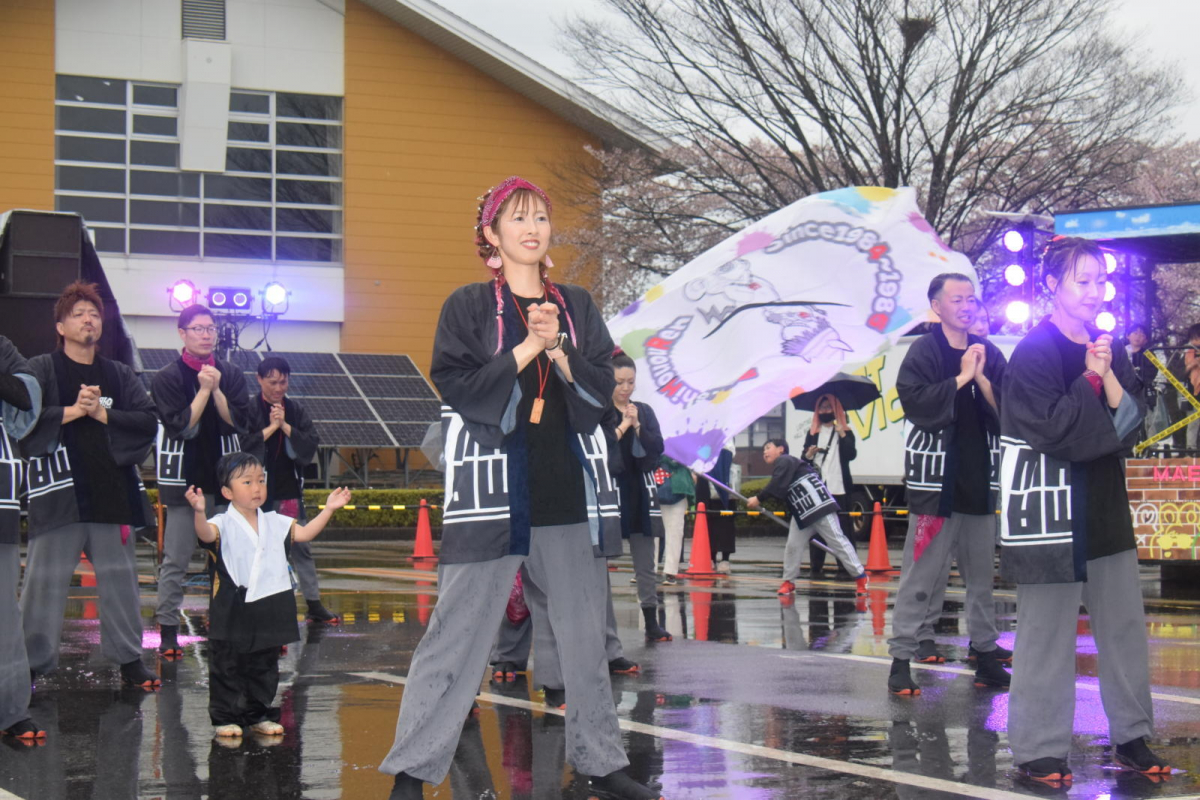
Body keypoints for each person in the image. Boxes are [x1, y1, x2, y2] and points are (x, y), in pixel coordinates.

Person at [380, 177, 664, 800]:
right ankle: (411, 772)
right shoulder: (469, 305)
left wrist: (559, 350)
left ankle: (601, 761)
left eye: (540, 216)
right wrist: (525, 347)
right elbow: (457, 386)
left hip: (568, 489)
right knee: (454, 638)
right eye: (517, 218)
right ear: (491, 233)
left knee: (586, 636)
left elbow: (601, 392)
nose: (532, 227)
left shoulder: (579, 304)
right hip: (492, 491)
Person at [1001, 237, 1167, 785]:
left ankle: (1132, 736)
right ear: (1052, 285)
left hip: (1102, 505)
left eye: (1101, 280)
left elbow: (1131, 424)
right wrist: (1091, 379)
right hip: (1049, 511)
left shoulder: (1105, 345)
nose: (1096, 291)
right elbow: (1055, 430)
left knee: (1122, 628)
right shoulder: (1034, 351)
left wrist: (1106, 369)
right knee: (1046, 634)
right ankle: (1036, 748)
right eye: (1083, 280)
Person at [17, 282, 161, 690]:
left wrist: (101, 415)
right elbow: (21, 419)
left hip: (111, 494)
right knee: (43, 584)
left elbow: (148, 420)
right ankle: (30, 665)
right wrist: (71, 411)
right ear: (61, 326)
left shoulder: (118, 373)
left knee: (120, 582)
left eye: (94, 314)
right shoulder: (40, 369)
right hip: (58, 494)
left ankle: (129, 659)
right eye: (78, 314)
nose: (88, 320)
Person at [888, 273, 1010, 695]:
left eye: (971, 298)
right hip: (935, 487)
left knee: (981, 579)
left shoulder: (988, 352)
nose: (966, 305)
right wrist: (959, 378)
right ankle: (901, 658)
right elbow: (915, 402)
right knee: (921, 575)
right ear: (936, 307)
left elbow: (1010, 410)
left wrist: (980, 378)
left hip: (980, 481)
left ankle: (987, 656)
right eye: (957, 299)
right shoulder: (924, 352)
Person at [185, 452, 350, 738]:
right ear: (227, 491)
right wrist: (198, 511)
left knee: (264, 664)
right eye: (247, 482)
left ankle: (258, 714)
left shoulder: (277, 521)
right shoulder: (221, 523)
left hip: (270, 600)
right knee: (227, 662)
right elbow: (206, 536)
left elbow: (306, 533)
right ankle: (225, 717)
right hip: (233, 603)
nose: (257, 487)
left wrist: (329, 509)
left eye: (261, 480)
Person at [152, 304, 252, 657]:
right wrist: (203, 391)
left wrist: (218, 389)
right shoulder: (167, 377)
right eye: (197, 328)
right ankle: (167, 628)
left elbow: (239, 421)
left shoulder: (231, 373)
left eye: (210, 328)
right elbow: (180, 425)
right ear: (182, 333)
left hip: (225, 486)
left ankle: (223, 624)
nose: (206, 334)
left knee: (225, 561)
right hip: (184, 485)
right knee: (176, 560)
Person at [241, 355, 338, 624]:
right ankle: (254, 603)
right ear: (259, 380)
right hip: (255, 493)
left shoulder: (295, 410)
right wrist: (271, 428)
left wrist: (285, 426)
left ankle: (314, 602)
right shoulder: (249, 409)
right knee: (256, 548)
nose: (278, 388)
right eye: (272, 382)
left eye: (283, 382)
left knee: (300, 546)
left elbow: (309, 445)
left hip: (288, 489)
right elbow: (243, 443)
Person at [603, 351, 673, 642]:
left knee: (645, 560)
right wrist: (623, 425)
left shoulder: (643, 410)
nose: (626, 388)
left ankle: (651, 619)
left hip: (641, 492)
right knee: (601, 558)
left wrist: (639, 425)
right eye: (620, 382)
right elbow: (603, 447)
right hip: (612, 489)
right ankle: (603, 625)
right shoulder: (601, 411)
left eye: (631, 382)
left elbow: (658, 447)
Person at [747, 439, 867, 596]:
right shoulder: (789, 464)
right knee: (793, 546)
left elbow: (777, 484)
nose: (764, 452)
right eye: (763, 449)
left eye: (768, 447)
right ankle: (788, 581)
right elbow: (780, 487)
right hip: (802, 514)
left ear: (781, 449)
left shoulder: (785, 460)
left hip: (819, 507)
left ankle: (860, 577)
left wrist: (759, 498)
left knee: (838, 542)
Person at [0, 336, 43, 741]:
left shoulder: (5, 348)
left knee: (3, 614)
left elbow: (28, 399)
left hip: (1, 505)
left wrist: (102, 406)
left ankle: (10, 710)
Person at [802, 394, 857, 578]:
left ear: (836, 410)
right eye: (822, 408)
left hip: (839, 485)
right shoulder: (813, 433)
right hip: (818, 487)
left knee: (843, 530)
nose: (825, 411)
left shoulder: (845, 432)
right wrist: (809, 454)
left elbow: (851, 455)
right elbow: (804, 459)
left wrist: (842, 433)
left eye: (829, 407)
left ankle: (845, 567)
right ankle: (816, 567)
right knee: (818, 529)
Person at [695, 444, 736, 572]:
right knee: (706, 518)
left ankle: (725, 558)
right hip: (704, 468)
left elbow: (730, 450)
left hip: (722, 464)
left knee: (726, 519)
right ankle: (710, 557)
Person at [656, 456, 694, 584]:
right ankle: (648, 570)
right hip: (655, 483)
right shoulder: (650, 436)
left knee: (674, 531)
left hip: (678, 485)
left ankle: (670, 571)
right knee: (652, 532)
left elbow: (692, 457)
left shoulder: (686, 439)